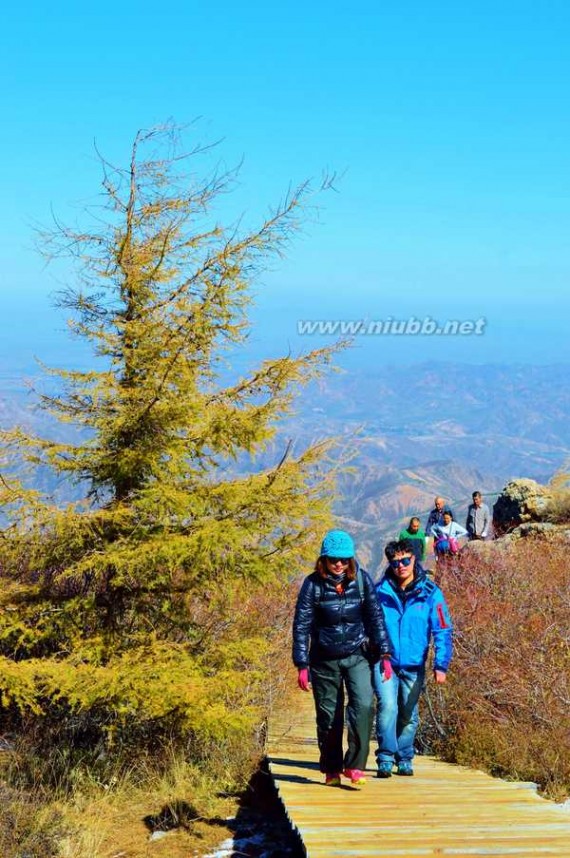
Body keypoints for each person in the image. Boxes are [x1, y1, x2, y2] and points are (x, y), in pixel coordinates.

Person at [292, 529, 391, 787]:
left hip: (357, 654)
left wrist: (385, 654)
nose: (339, 564)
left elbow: (375, 617)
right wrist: (302, 664)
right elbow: (301, 625)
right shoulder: (312, 585)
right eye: (334, 559)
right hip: (324, 659)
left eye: (344, 559)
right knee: (329, 716)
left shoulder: (361, 580)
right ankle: (332, 768)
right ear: (323, 559)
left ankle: (355, 766)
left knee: (364, 706)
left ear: (351, 560)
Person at [373, 539, 453, 778]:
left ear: (414, 559)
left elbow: (442, 629)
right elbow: (369, 625)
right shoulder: (380, 592)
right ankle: (385, 757)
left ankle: (405, 756)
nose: (401, 566)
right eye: (395, 562)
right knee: (387, 707)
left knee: (408, 711)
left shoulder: (431, 593)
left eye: (405, 560)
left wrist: (441, 665)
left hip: (414, 664)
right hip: (385, 661)